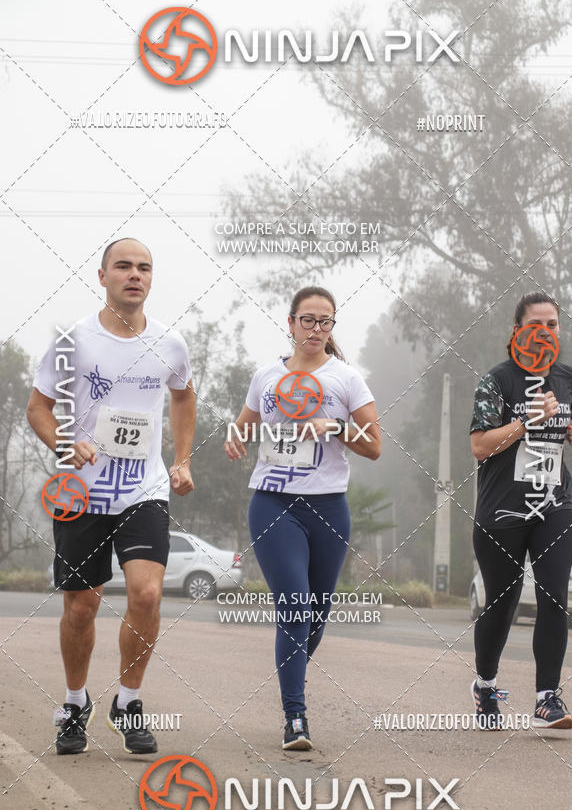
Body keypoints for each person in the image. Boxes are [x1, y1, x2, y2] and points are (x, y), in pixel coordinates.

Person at [27, 238, 196, 755]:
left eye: (144, 267)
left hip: (143, 488)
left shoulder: (170, 344)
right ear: (101, 276)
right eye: (123, 266)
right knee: (82, 606)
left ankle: (129, 700)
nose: (134, 275)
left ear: (151, 278)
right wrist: (63, 441)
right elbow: (36, 408)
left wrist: (183, 458)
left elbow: (184, 394)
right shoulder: (70, 340)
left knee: (146, 593)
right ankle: (75, 704)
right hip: (81, 492)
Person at [225, 286, 381, 749]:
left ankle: (288, 674)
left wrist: (332, 426)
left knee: (315, 616)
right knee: (294, 604)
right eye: (308, 320)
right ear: (290, 323)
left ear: (332, 328)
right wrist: (234, 439)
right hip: (273, 503)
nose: (316, 329)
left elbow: (374, 445)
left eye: (325, 322)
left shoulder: (347, 379)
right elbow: (244, 425)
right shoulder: (266, 377)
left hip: (329, 508)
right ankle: (296, 715)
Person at [469, 291, 572, 730]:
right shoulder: (496, 381)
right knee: (503, 603)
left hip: (555, 503)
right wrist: (524, 424)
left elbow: (564, 426)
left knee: (555, 594)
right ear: (518, 331)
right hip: (503, 509)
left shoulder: (568, 377)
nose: (546, 331)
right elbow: (480, 446)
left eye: (553, 324)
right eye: (536, 324)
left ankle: (546, 699)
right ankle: (485, 685)